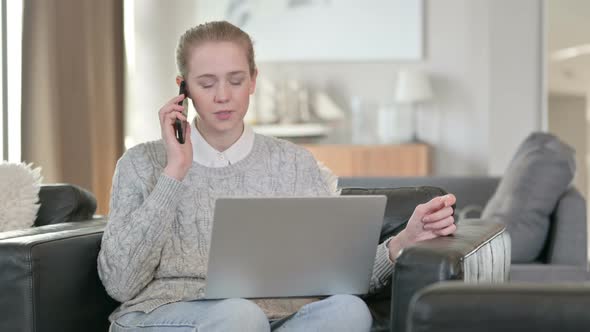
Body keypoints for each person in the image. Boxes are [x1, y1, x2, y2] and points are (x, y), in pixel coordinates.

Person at [98, 21, 457, 332]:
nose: (223, 96)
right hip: (165, 314)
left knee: (348, 311)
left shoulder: (294, 162)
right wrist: (174, 172)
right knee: (239, 315)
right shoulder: (140, 162)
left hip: (274, 319)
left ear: (253, 80)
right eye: (206, 84)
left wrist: (402, 242)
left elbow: (337, 276)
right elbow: (120, 282)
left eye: (236, 80)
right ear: (183, 88)